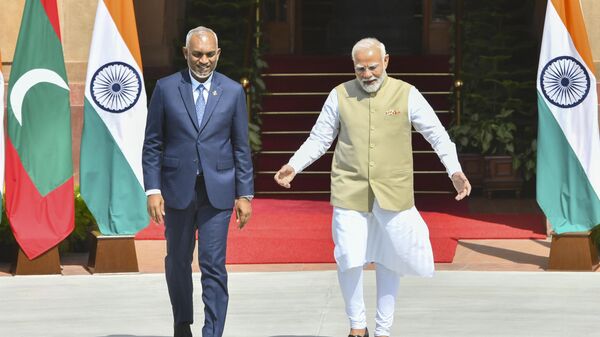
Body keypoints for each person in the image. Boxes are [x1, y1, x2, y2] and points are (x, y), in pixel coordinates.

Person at [274, 37, 471, 337]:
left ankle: (383, 330)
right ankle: (357, 326)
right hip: (349, 189)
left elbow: (437, 135)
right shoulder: (339, 95)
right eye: (360, 69)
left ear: (387, 62)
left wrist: (454, 170)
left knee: (391, 258)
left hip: (394, 190)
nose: (367, 75)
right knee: (349, 256)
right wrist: (294, 164)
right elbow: (320, 138)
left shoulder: (407, 94)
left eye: (373, 67)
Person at [143, 26, 254, 337]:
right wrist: (153, 189)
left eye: (208, 54)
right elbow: (153, 142)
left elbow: (240, 146)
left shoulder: (232, 91)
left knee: (213, 264)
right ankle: (182, 323)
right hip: (176, 191)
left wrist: (245, 194)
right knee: (177, 261)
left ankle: (213, 332)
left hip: (217, 192)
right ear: (185, 53)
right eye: (197, 54)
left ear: (217, 54)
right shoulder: (166, 88)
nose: (203, 60)